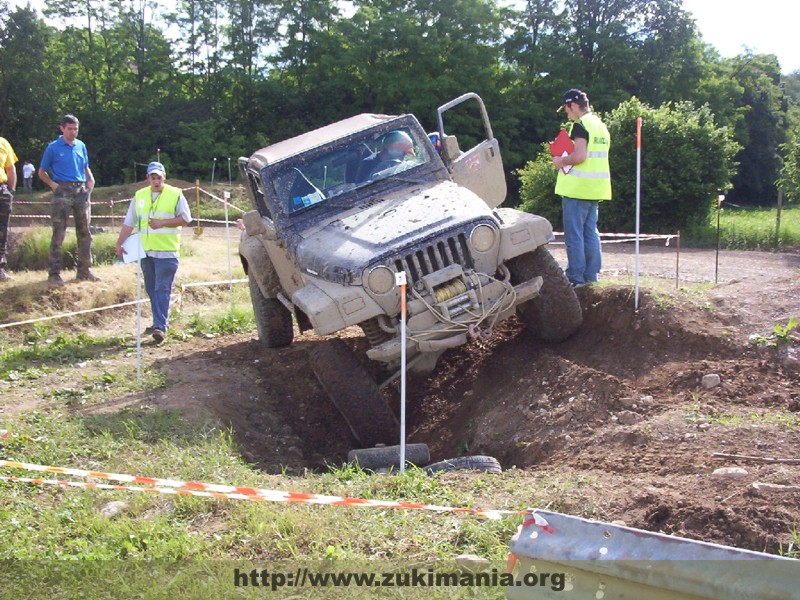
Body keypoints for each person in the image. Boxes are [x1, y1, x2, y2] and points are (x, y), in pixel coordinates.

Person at [115, 161, 192, 344]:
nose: (156, 181)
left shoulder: (175, 195)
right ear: (147, 178)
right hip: (146, 252)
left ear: (164, 177)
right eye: (153, 177)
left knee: (162, 289)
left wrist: (162, 223)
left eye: (159, 177)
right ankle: (158, 321)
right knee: (151, 289)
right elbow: (129, 223)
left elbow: (186, 218)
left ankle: (160, 327)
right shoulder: (139, 196)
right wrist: (120, 242)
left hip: (167, 252)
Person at [552, 89, 612, 287]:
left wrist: (561, 160)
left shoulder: (580, 125)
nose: (567, 115)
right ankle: (591, 277)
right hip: (595, 189)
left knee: (575, 236)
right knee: (591, 234)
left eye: (567, 110)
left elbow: (579, 156)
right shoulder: (601, 126)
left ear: (574, 106)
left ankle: (576, 278)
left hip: (577, 190)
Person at [38, 114, 99, 285]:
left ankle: (84, 270)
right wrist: (53, 185)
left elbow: (85, 166)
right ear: (62, 128)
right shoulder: (53, 147)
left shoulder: (81, 146)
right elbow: (41, 172)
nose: (73, 132)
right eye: (70, 128)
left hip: (80, 190)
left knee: (85, 232)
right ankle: (54, 273)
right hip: (62, 190)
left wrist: (90, 180)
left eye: (76, 129)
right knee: (59, 233)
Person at [0, 136, 18, 282]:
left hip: (2, 192)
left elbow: (10, 169)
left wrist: (11, 192)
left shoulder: (3, 142)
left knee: (2, 231)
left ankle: (0, 268)